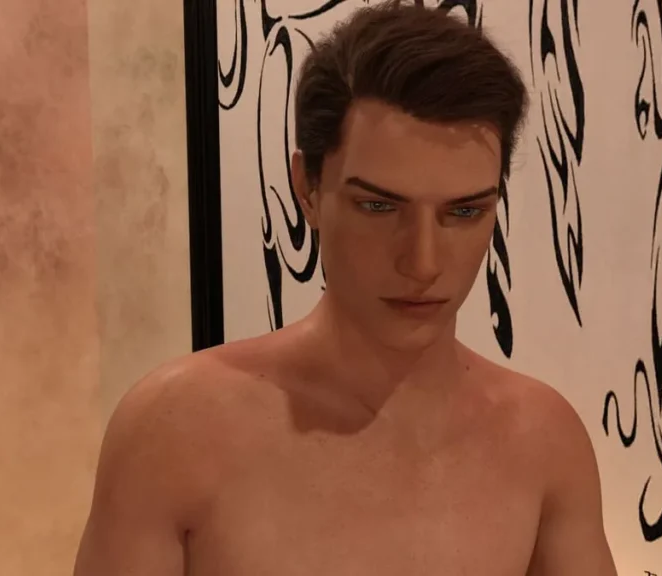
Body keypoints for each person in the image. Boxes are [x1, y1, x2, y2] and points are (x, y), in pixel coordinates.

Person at [73, 2, 618, 575]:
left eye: (463, 211)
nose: (423, 262)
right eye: (378, 207)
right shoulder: (176, 431)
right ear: (307, 189)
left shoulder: (541, 441)